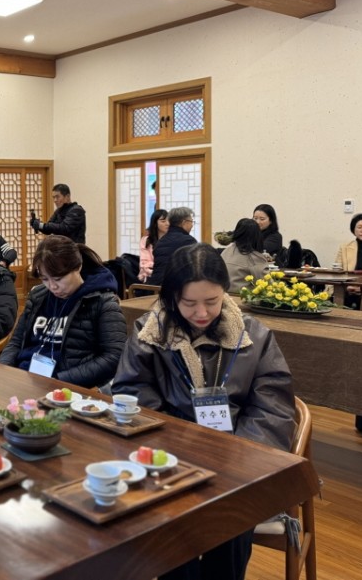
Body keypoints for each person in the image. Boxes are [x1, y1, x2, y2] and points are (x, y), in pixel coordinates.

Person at [113, 243, 295, 580]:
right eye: (189, 303)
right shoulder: (149, 333)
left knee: (231, 516)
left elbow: (272, 407)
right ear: (172, 297)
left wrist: (241, 457)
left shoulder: (252, 335)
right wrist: (176, 452)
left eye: (212, 301)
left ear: (225, 291)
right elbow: (133, 394)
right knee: (169, 524)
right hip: (171, 459)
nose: (202, 313)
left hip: (237, 457)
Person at [0, 236, 126, 387]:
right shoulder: (38, 297)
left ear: (78, 267)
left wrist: (59, 381)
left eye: (58, 279)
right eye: (45, 279)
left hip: (66, 385)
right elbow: (16, 342)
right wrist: (5, 371)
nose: (52, 286)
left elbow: (113, 357)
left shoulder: (102, 302)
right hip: (25, 379)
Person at [147, 206, 197, 286]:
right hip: (175, 288)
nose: (192, 225)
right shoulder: (189, 241)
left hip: (155, 287)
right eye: (191, 222)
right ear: (184, 222)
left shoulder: (160, 242)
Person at [221, 218, 269, 293]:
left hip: (224, 297)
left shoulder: (225, 252)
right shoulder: (254, 258)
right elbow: (267, 284)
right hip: (244, 298)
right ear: (257, 236)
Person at [138, 209, 169, 282]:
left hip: (168, 276)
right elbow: (144, 264)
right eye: (163, 221)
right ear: (155, 223)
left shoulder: (171, 240)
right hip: (150, 276)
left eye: (169, 221)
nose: (167, 223)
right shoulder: (146, 240)